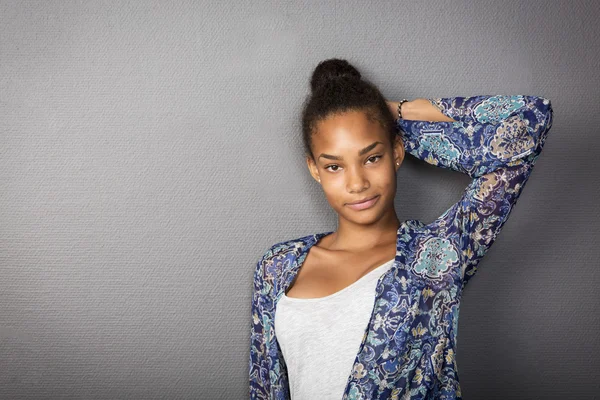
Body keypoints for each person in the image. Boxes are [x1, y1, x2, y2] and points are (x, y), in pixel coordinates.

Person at [248, 58, 553, 400]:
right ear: (315, 169)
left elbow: (531, 118)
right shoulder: (277, 266)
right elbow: (266, 388)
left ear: (396, 152)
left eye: (372, 157)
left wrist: (397, 113)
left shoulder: (438, 254)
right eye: (334, 166)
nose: (357, 183)